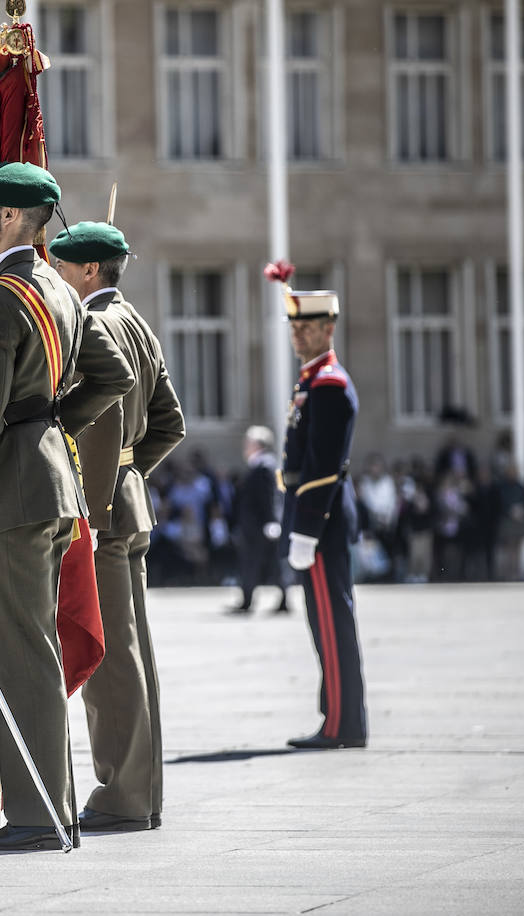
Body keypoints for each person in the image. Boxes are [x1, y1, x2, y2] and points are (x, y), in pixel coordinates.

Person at [0, 163, 133, 851]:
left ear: (13, 217)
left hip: (8, 491)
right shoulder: (59, 290)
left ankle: (38, 816)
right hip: (49, 482)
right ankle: (52, 807)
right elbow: (112, 376)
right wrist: (50, 424)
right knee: (30, 646)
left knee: (21, 653)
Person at [49, 221, 186, 834]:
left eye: (60, 267)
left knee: (109, 659)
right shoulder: (137, 322)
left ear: (88, 272)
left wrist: (95, 507)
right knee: (135, 652)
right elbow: (169, 423)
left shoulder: (96, 325)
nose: (53, 275)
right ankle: (142, 792)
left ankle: (124, 795)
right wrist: (131, 476)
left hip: (102, 510)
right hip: (128, 500)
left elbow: (100, 424)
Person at [276, 280, 367, 750]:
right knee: (325, 622)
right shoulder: (313, 379)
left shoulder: (328, 384)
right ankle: (338, 718)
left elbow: (324, 467)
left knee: (331, 624)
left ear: (329, 328)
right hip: (317, 517)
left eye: (308, 326)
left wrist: (306, 530)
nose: (299, 334)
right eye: (295, 326)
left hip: (323, 520)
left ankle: (341, 726)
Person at [229, 426, 289, 614]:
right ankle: (249, 598)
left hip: (260, 526)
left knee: (261, 563)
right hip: (255, 525)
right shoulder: (259, 465)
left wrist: (272, 521)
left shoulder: (265, 466)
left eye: (249, 443)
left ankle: (257, 600)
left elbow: (269, 496)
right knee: (259, 563)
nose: (245, 447)